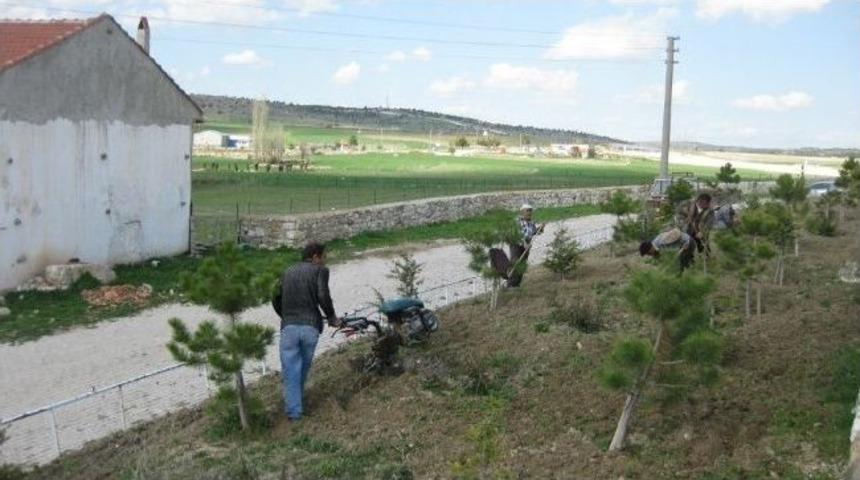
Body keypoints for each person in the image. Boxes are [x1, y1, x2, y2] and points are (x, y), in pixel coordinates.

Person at [272, 242, 341, 421]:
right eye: (323, 257)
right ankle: (295, 411)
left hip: (288, 328)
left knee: (291, 369)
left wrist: (286, 315)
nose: (324, 260)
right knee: (301, 368)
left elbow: (275, 297)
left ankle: (294, 410)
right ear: (315, 257)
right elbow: (323, 295)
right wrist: (332, 317)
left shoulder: (287, 271)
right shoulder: (320, 271)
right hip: (310, 327)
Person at [507, 203, 545, 287]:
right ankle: (510, 285)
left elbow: (535, 232)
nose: (529, 213)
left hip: (526, 246)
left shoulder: (531, 223)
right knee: (516, 264)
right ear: (522, 212)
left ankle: (517, 285)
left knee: (522, 265)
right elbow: (516, 234)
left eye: (530, 211)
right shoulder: (517, 221)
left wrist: (540, 228)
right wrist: (524, 243)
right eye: (527, 211)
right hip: (516, 245)